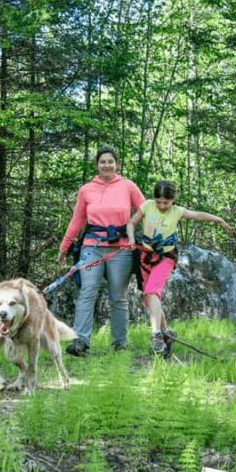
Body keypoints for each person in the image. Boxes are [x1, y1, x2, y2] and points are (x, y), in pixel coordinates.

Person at [127, 180, 233, 358]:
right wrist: (131, 238)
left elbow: (197, 215)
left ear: (173, 199)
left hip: (165, 258)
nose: (161, 205)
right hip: (145, 257)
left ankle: (156, 336)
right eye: (158, 201)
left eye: (166, 202)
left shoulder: (177, 211)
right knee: (150, 299)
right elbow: (131, 222)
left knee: (153, 292)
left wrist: (218, 219)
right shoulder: (147, 206)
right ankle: (167, 334)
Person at [56, 146, 145, 355]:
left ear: (117, 164)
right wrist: (64, 247)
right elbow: (77, 220)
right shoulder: (87, 189)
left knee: (118, 297)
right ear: (97, 165)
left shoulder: (128, 186)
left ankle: (120, 343)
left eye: (110, 162)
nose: (107, 165)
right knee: (87, 292)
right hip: (92, 248)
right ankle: (80, 341)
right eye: (102, 162)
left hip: (120, 249)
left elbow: (145, 210)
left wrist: (154, 236)